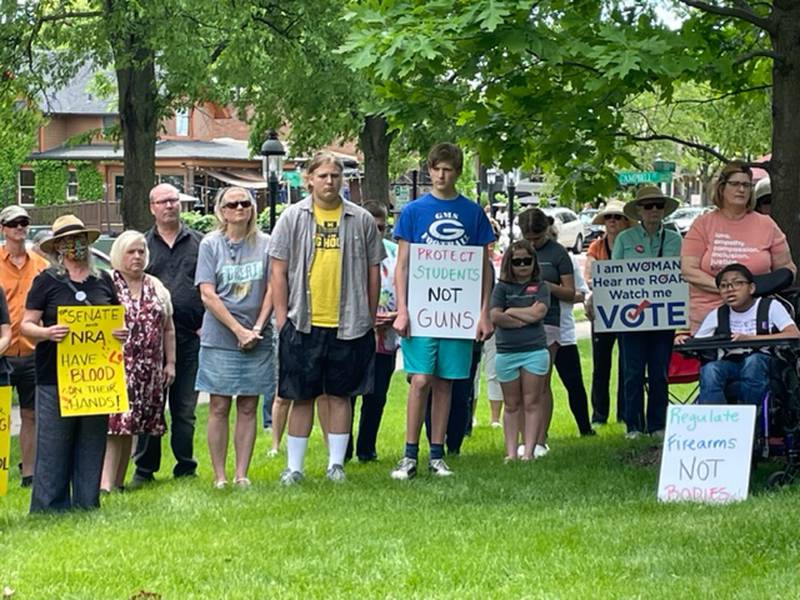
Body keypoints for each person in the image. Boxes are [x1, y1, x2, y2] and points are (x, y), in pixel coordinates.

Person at [269, 152, 384, 485]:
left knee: (340, 394)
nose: (330, 181)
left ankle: (336, 465)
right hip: (302, 319)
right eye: (323, 176)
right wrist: (281, 317)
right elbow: (278, 270)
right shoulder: (292, 218)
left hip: (349, 322)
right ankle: (295, 467)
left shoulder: (361, 220)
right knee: (301, 395)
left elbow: (373, 270)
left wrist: (369, 314)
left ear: (342, 180)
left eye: (335, 176)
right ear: (309, 179)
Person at [390, 143, 495, 480]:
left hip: (458, 312)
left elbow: (483, 266)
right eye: (436, 168)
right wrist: (402, 309)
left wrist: (484, 312)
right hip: (422, 311)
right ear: (429, 170)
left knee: (447, 382)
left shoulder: (472, 213)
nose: (441, 175)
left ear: (458, 172)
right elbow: (402, 265)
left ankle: (437, 454)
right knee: (420, 379)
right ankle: (409, 455)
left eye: (447, 169)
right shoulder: (413, 212)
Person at [22, 215, 127, 512]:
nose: (75, 246)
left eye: (80, 239)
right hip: (55, 376)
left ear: (88, 243)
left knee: (92, 441)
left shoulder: (103, 280)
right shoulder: (46, 281)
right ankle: (49, 507)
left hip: (96, 379)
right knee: (54, 442)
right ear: (58, 248)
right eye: (68, 241)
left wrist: (121, 332)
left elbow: (116, 322)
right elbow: (26, 325)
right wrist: (47, 332)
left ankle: (86, 502)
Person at [195, 187, 275, 488]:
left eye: (246, 203)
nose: (240, 208)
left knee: (248, 405)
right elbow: (207, 293)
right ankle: (220, 476)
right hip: (220, 336)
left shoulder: (266, 244)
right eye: (233, 204)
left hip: (257, 335)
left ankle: (242, 473)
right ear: (221, 210)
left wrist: (256, 328)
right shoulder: (210, 244)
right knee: (218, 405)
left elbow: (272, 288)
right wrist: (237, 330)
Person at [132, 183, 205, 485]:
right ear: (152, 208)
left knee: (185, 408)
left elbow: (210, 286)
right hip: (150, 341)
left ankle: (185, 465)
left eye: (174, 200)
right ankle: (145, 469)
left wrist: (207, 323)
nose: (170, 206)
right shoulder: (142, 246)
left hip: (191, 336)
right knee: (150, 405)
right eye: (163, 202)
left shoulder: (200, 243)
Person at [100, 231, 176, 493]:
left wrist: (171, 363)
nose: (137, 257)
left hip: (148, 368)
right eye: (131, 252)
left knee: (131, 425)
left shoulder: (156, 286)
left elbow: (168, 328)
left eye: (141, 251)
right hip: (116, 365)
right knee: (115, 424)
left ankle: (119, 482)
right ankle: (105, 484)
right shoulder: (107, 282)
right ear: (119, 254)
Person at [682, 161, 795, 332]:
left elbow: (787, 270)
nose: (741, 189)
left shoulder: (766, 224)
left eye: (746, 185)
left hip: (755, 318)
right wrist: (730, 290)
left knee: (755, 361)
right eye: (735, 184)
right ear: (722, 188)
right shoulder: (703, 224)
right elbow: (688, 270)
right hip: (709, 317)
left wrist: (754, 291)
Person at [613, 186, 683, 439]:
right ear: (639, 210)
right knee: (631, 372)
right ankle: (633, 425)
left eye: (658, 205)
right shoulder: (625, 239)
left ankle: (657, 425)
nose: (654, 210)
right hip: (631, 317)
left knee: (659, 372)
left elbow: (680, 277)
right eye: (648, 206)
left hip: (663, 317)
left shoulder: (676, 240)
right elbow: (614, 276)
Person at [677, 263, 799, 407]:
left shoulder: (770, 306)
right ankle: (714, 422)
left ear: (751, 288)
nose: (730, 289)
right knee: (710, 369)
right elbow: (700, 341)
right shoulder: (718, 313)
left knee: (753, 362)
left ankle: (753, 420)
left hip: (766, 362)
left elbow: (794, 334)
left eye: (737, 283)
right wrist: (684, 340)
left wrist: (750, 339)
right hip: (732, 364)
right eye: (724, 286)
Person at [517, 208, 574, 452]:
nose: (532, 243)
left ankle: (540, 439)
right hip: (519, 322)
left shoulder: (558, 253)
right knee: (520, 384)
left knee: (540, 382)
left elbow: (570, 292)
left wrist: (546, 287)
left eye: (537, 238)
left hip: (548, 321)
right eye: (528, 238)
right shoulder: (516, 251)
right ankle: (524, 438)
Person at [345, 201, 399, 463]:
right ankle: (342, 449)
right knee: (347, 396)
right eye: (372, 226)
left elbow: (405, 291)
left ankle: (367, 449)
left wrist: (396, 317)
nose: (376, 232)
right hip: (353, 334)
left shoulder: (395, 254)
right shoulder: (349, 252)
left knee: (376, 397)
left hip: (386, 337)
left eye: (381, 227)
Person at [0, 205, 48, 487]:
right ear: (3, 228)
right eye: (13, 223)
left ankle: (29, 472)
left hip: (32, 351)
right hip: (2, 352)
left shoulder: (40, 265)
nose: (20, 227)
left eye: (24, 222)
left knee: (31, 413)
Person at [490, 240, 550, 460]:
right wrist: (525, 316)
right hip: (506, 351)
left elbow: (539, 313)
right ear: (509, 263)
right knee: (511, 403)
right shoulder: (501, 287)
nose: (523, 265)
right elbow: (495, 316)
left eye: (527, 260)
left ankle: (530, 452)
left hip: (535, 350)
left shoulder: (541, 286)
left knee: (532, 401)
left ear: (534, 262)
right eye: (517, 261)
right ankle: (511, 453)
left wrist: (512, 310)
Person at [583, 200, 630, 426]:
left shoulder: (632, 245)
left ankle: (625, 414)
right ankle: (599, 416)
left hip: (630, 313)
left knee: (628, 365)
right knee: (601, 366)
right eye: (609, 217)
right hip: (603, 311)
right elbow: (590, 276)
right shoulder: (596, 247)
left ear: (626, 221)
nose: (612, 221)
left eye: (618, 217)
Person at [553, 254, 594, 436]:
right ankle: (537, 435)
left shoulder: (564, 257)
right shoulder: (523, 255)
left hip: (564, 331)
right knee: (536, 388)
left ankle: (585, 428)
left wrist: (554, 290)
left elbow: (580, 294)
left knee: (574, 382)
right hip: (533, 333)